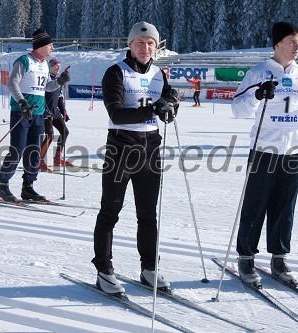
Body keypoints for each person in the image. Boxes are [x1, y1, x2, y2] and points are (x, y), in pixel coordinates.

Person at [231, 22, 298, 287]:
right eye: (292, 41)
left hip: (293, 150)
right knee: (256, 205)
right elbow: (239, 111)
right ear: (277, 44)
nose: (297, 46)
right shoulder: (259, 71)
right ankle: (246, 258)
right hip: (265, 147)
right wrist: (258, 94)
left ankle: (279, 258)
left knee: (285, 207)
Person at [91, 21, 179, 295]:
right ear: (130, 45)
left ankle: (149, 267)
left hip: (150, 149)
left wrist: (171, 102)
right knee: (110, 212)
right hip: (121, 149)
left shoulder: (158, 73)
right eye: (140, 43)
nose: (146, 47)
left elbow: (169, 98)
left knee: (148, 215)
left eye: (151, 43)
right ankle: (104, 270)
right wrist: (154, 108)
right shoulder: (116, 72)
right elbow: (116, 113)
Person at [0, 29, 70, 202]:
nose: (52, 47)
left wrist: (59, 81)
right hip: (22, 113)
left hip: (38, 113)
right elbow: (12, 83)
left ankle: (28, 187)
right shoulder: (24, 61)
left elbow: (46, 87)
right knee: (17, 150)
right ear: (41, 45)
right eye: (50, 44)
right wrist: (22, 103)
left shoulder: (44, 64)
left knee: (34, 152)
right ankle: (3, 186)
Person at [39, 57, 72, 171]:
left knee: (64, 131)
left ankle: (57, 158)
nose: (58, 68)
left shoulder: (58, 80)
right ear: (50, 67)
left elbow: (59, 98)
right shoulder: (47, 78)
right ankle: (39, 160)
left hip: (55, 111)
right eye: (55, 66)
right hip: (45, 110)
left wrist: (63, 110)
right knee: (49, 135)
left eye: (59, 66)